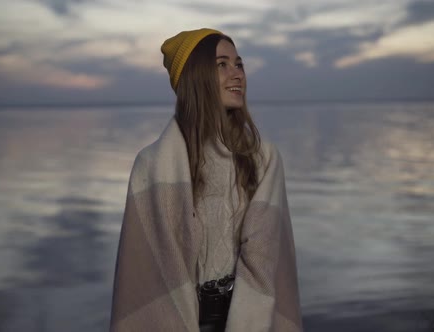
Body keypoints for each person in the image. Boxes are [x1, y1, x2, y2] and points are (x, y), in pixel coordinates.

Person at [110, 28, 302, 332]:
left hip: (250, 320)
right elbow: (147, 276)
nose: (237, 74)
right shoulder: (153, 167)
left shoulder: (262, 159)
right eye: (221, 65)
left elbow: (263, 264)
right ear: (195, 77)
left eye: (238, 64)